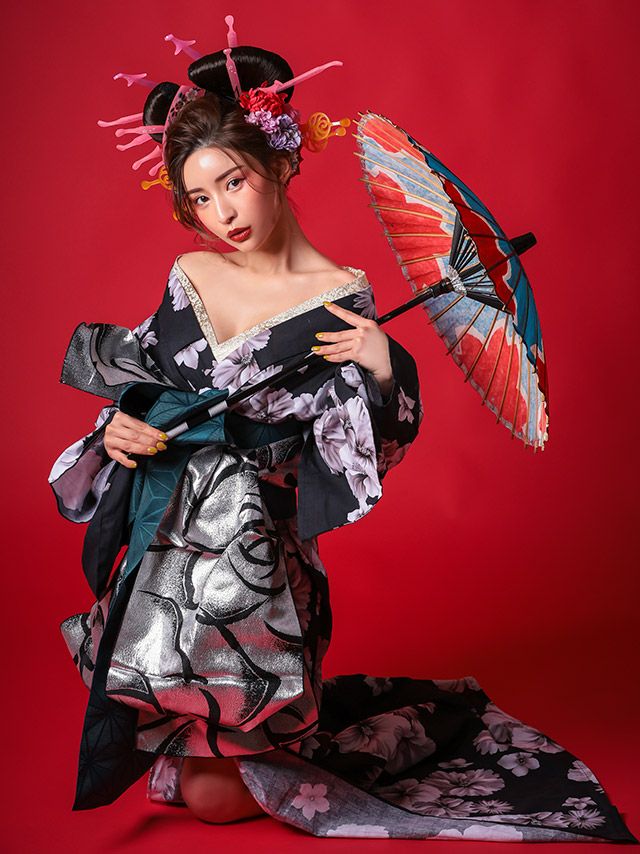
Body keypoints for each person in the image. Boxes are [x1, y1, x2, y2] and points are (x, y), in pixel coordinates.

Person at [48, 18, 637, 843]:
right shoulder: (192, 272)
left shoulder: (342, 299)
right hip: (169, 532)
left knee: (211, 795)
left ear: (279, 163)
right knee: (165, 732)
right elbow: (148, 379)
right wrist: (121, 428)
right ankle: (209, 732)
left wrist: (382, 371)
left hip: (256, 561)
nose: (221, 212)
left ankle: (268, 735)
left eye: (234, 182)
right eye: (201, 197)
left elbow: (352, 459)